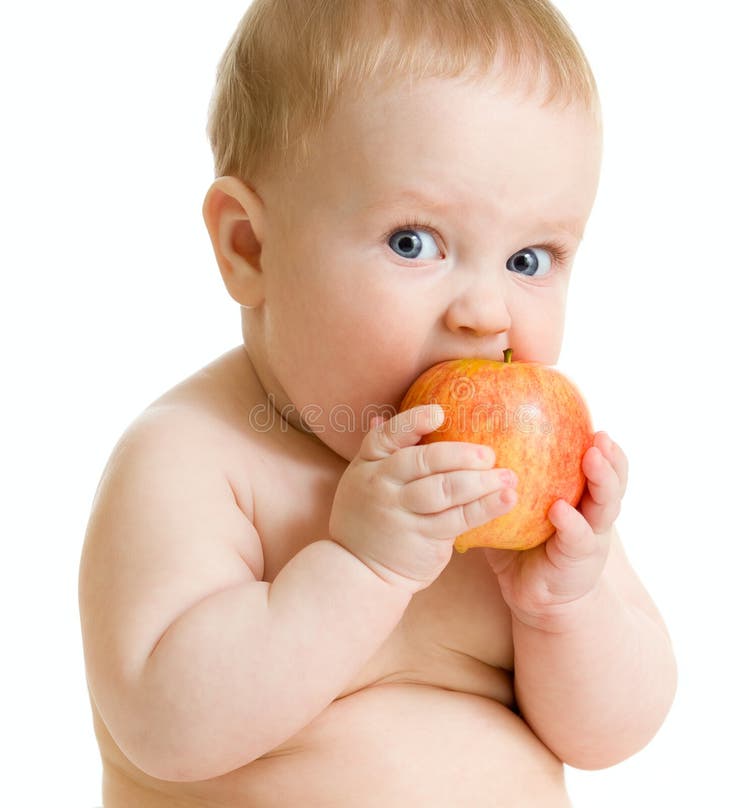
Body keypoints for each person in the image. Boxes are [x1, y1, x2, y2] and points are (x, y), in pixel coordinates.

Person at [79, 1, 678, 805]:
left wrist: (565, 605)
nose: (487, 312)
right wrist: (363, 570)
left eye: (529, 258)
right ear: (250, 248)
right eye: (413, 242)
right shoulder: (196, 457)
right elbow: (163, 726)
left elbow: (615, 734)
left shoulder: (518, 503)